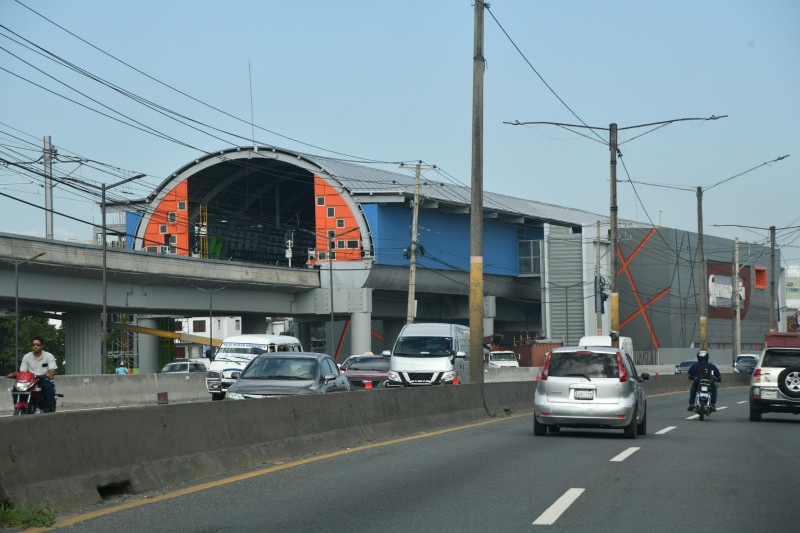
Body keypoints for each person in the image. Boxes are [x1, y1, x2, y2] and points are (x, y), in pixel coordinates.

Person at [15, 336, 57, 412]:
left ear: (42, 346)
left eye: (38, 344)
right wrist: (17, 376)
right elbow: (23, 371)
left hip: (43, 379)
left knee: (48, 386)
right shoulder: (27, 356)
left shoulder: (49, 356)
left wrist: (50, 374)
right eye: (33, 345)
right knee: (15, 388)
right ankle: (18, 406)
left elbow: (52, 369)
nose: (35, 346)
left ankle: (47, 409)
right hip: (30, 380)